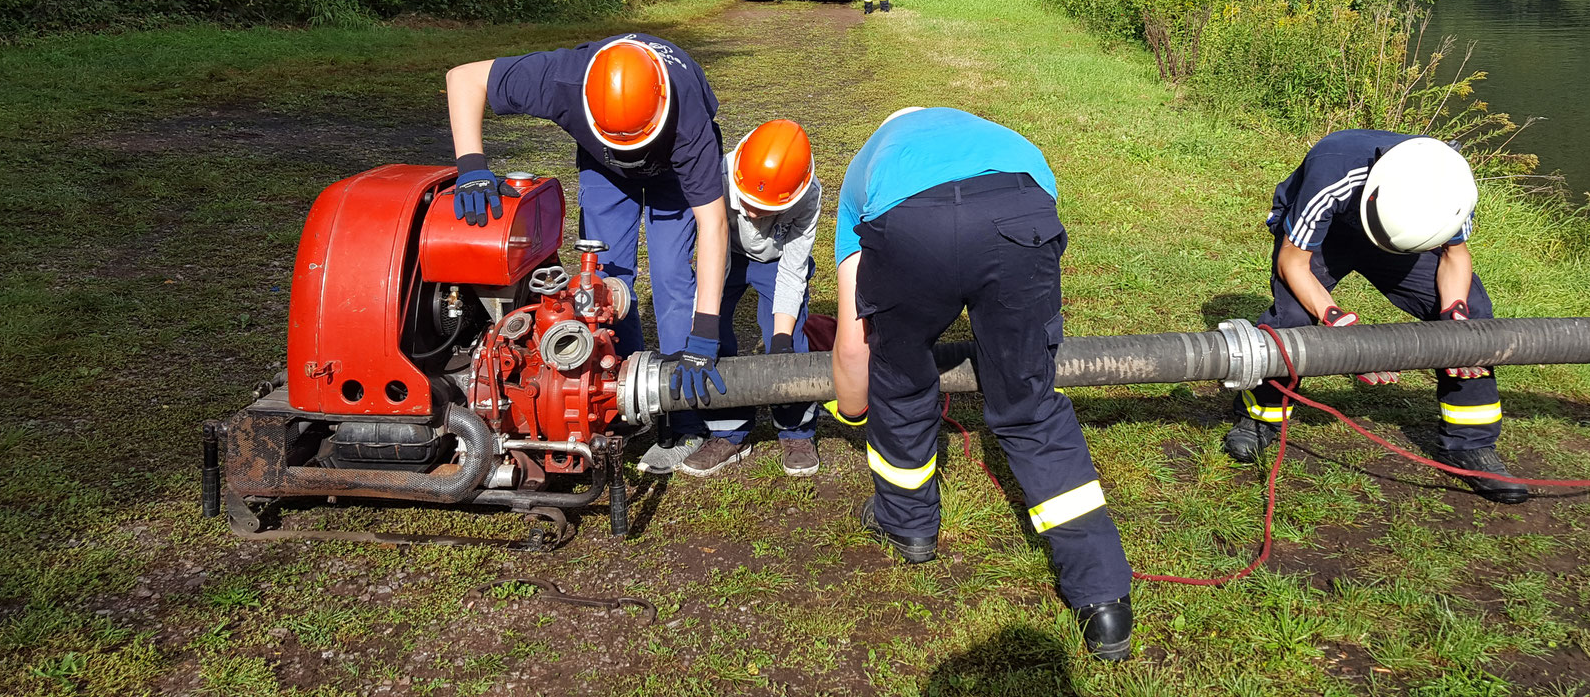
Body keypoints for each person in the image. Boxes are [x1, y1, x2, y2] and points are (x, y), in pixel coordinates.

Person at [828, 107, 1135, 661]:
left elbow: (854, 344)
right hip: (1020, 207)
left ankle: (909, 527)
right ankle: (1104, 598)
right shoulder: (1004, 139)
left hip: (909, 225)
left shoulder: (866, 167)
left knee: (901, 379)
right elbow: (1032, 227)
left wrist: (852, 412)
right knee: (1030, 402)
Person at [444, 34, 741, 476]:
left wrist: (706, 332)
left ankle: (689, 420)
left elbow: (712, 223)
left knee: (673, 280)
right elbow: (464, 78)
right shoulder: (561, 79)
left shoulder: (688, 118)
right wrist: (471, 165)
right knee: (602, 284)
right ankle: (623, 399)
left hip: (672, 173)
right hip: (604, 165)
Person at [1224, 130, 1528, 505]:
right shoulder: (1333, 172)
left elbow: (1454, 256)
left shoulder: (1449, 184)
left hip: (1404, 233)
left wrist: (1457, 319)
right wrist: (1339, 326)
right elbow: (1293, 262)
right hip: (1329, 232)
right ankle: (1261, 416)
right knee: (1293, 320)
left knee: (1474, 318)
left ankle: (1471, 444)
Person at [702, 119, 825, 478]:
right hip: (725, 251)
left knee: (788, 339)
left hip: (777, 261)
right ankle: (727, 429)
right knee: (713, 334)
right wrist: (707, 321)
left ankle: (796, 428)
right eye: (748, 204)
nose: (753, 214)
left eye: (764, 208)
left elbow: (793, 268)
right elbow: (712, 243)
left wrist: (783, 339)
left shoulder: (809, 195)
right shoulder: (718, 175)